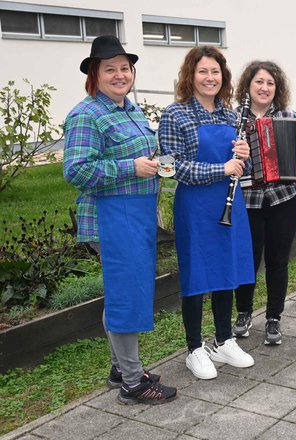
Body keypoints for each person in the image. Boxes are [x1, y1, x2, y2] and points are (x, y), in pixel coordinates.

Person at [63, 35, 176, 404]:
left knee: (123, 291)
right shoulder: (86, 114)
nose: (119, 74)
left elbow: (141, 156)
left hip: (135, 216)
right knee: (127, 294)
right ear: (95, 75)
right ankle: (132, 383)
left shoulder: (130, 110)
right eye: (109, 69)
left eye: (124, 68)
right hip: (111, 218)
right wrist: (132, 167)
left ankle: (119, 368)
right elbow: (76, 171)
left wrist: (156, 162)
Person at [158, 46, 255, 380]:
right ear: (190, 75)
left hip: (230, 205)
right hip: (195, 207)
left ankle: (224, 340)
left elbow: (245, 166)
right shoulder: (175, 114)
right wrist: (222, 168)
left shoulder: (231, 116)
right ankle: (194, 348)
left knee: (227, 269)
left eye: (215, 72)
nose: (210, 78)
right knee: (197, 274)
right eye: (203, 72)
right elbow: (170, 168)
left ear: (222, 77)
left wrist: (244, 156)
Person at [231, 61, 296, 345]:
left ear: (276, 88)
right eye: (259, 82)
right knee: (248, 261)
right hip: (248, 202)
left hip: (284, 199)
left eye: (270, 83)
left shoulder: (288, 115)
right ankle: (243, 313)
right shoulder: (234, 120)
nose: (264, 87)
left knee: (278, 262)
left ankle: (273, 318)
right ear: (248, 86)